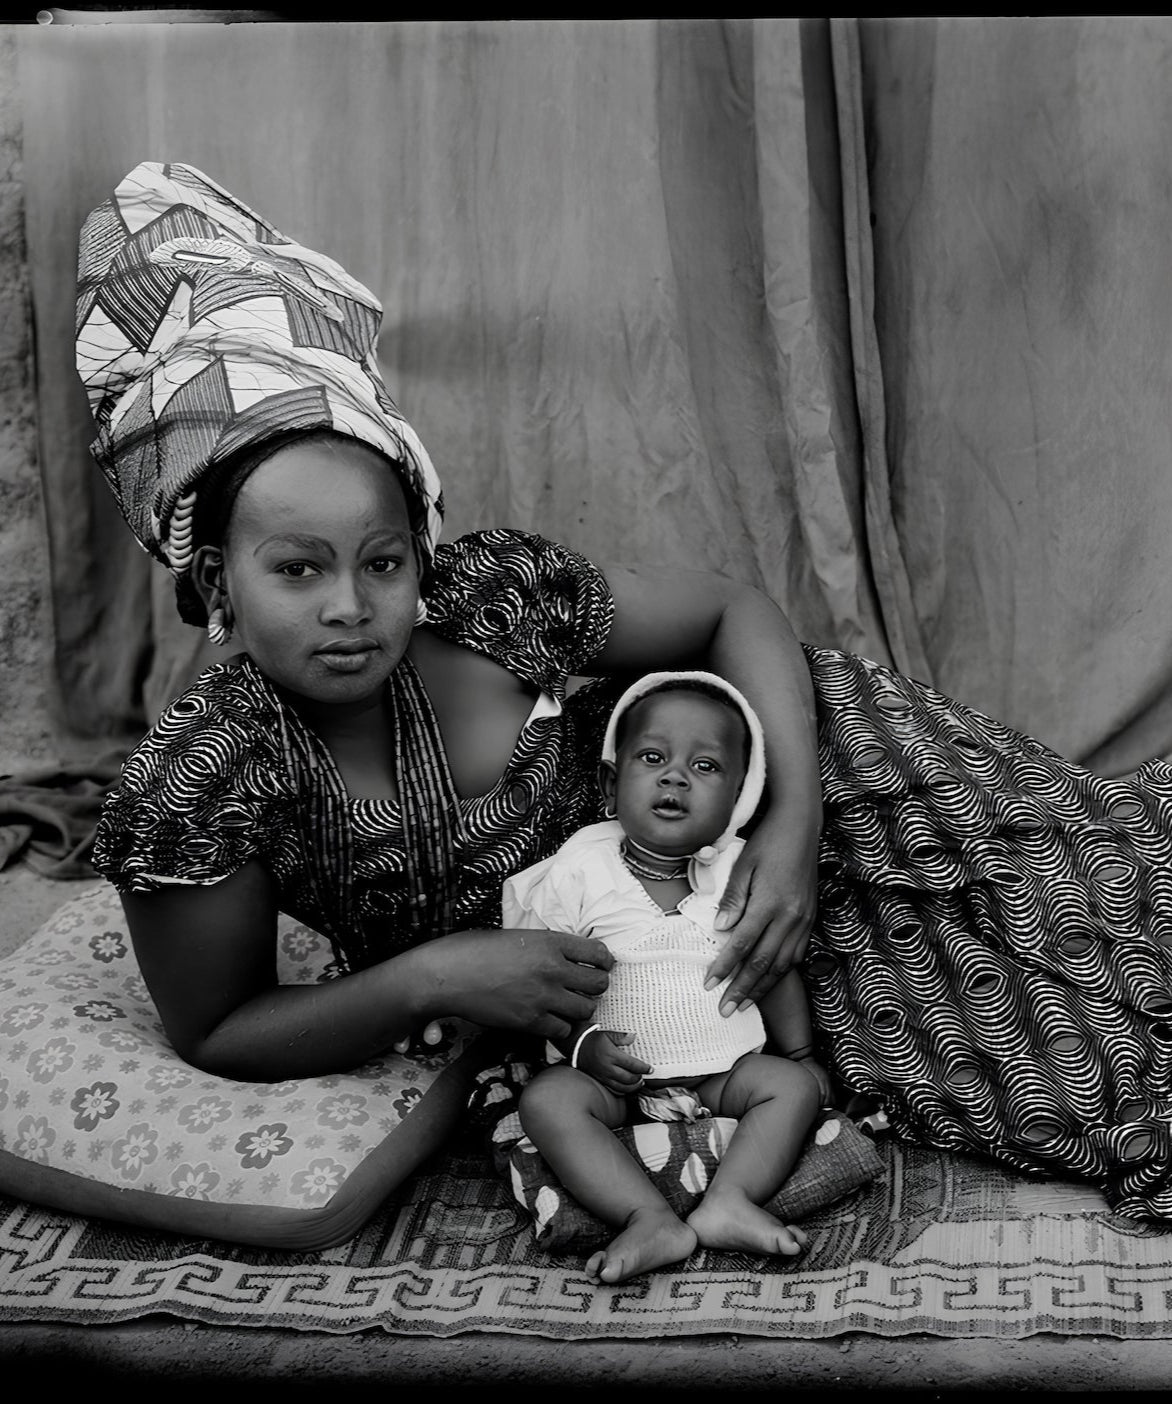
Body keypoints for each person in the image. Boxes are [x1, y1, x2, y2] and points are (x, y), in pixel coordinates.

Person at [47, 158, 1172, 1238]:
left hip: (807, 776)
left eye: (381, 561)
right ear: (215, 582)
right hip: (691, 975)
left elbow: (732, 612)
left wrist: (788, 829)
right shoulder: (201, 781)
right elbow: (218, 1026)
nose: (352, 605)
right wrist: (431, 977)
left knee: (1104, 878)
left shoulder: (483, 596)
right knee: (1061, 1077)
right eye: (297, 569)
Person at [502, 671, 829, 1284]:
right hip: (615, 1083)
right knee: (547, 1101)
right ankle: (648, 1216)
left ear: (738, 801)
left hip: (721, 1074)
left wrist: (803, 1053)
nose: (675, 777)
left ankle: (730, 1201)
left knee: (792, 1088)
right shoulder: (579, 870)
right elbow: (542, 978)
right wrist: (581, 1047)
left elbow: (771, 967)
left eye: (706, 768)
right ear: (610, 781)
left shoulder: (740, 871)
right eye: (652, 758)